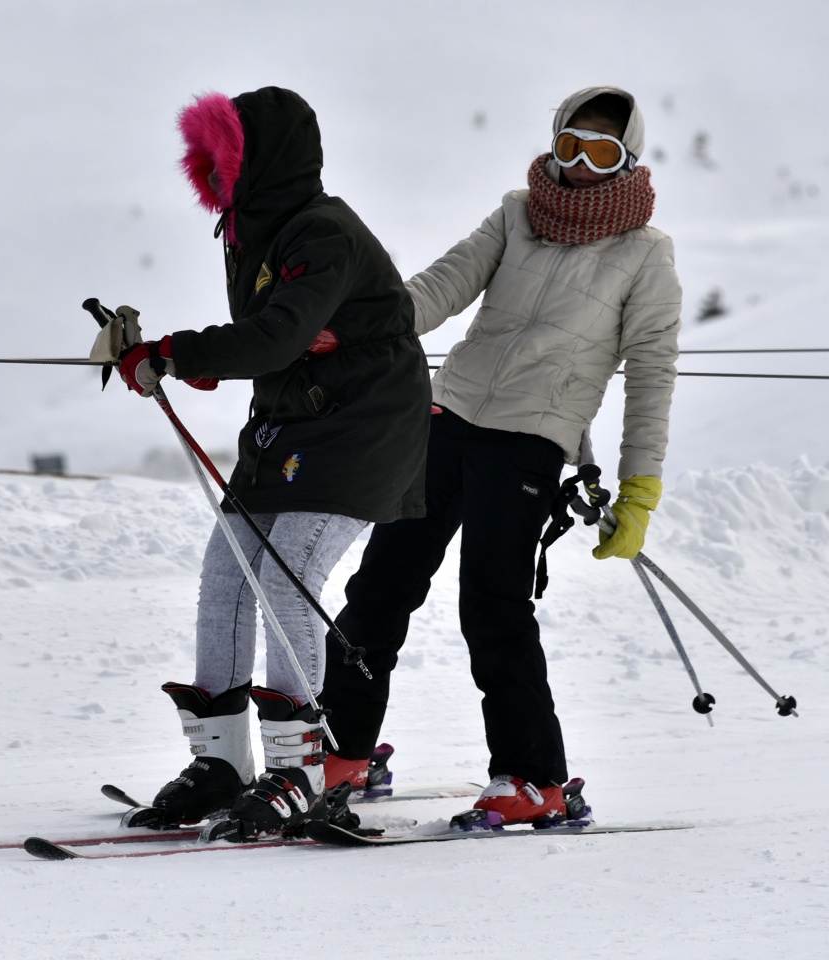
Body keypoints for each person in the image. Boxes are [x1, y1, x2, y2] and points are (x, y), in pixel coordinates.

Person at [318, 86, 682, 823]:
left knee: (492, 606)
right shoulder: (518, 213)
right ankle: (343, 748)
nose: (580, 165)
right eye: (570, 144)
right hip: (447, 415)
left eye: (601, 152)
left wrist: (639, 487)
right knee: (379, 589)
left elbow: (651, 372)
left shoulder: (646, 253)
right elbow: (442, 284)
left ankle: (533, 778)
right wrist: (357, 329)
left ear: (627, 161)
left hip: (529, 441)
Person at [113, 87, 431, 834]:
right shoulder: (251, 230)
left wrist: (174, 352)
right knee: (228, 572)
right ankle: (222, 763)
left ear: (262, 161)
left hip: (363, 428)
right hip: (291, 425)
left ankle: (300, 772)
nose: (215, 175)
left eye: (226, 159)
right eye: (210, 163)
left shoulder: (323, 232)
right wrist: (199, 356)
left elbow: (276, 337)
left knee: (289, 574)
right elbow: (276, 338)